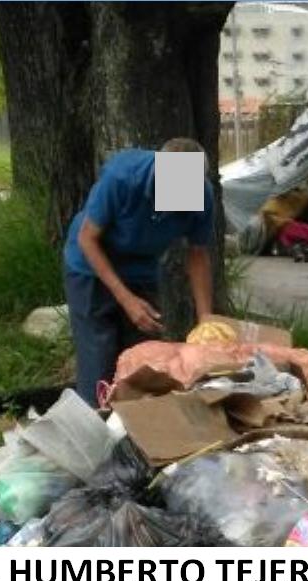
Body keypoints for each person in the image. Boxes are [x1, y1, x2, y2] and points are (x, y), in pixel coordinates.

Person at [63, 138, 214, 406]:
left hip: (141, 267)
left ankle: (137, 432)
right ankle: (95, 424)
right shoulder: (122, 177)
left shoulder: (202, 195)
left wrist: (205, 320)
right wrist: (126, 300)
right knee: (100, 357)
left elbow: (198, 254)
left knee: (145, 361)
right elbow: (88, 238)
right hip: (90, 266)